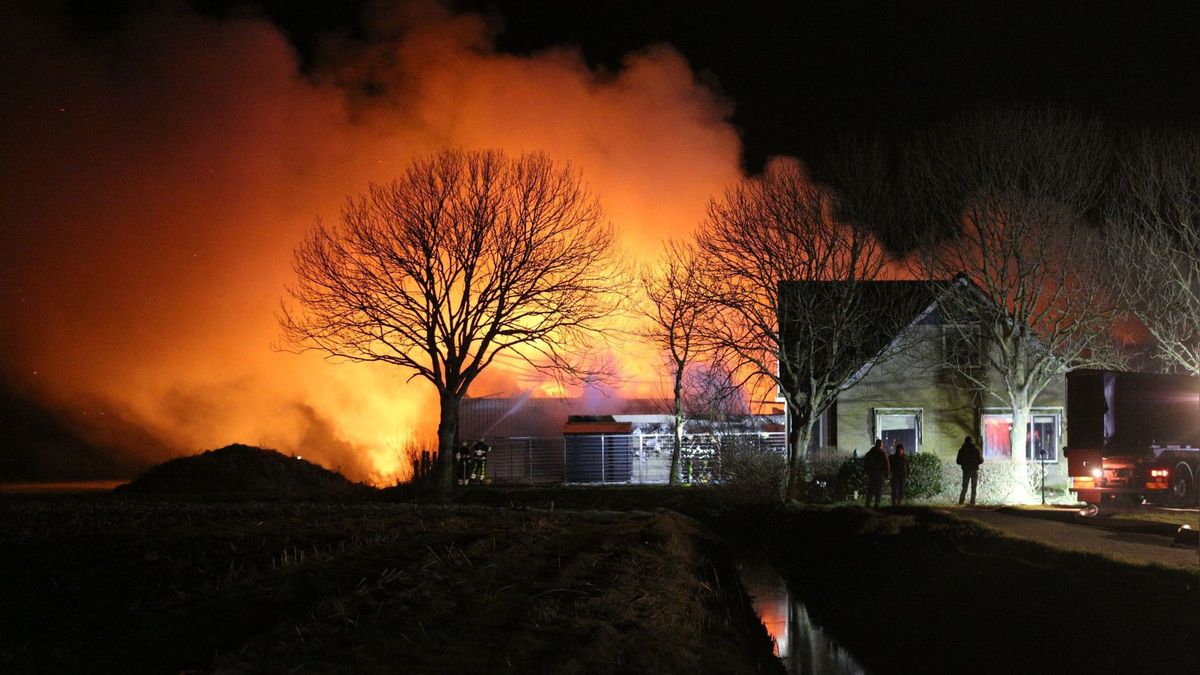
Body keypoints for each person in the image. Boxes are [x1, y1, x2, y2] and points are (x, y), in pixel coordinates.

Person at [956, 435, 984, 505]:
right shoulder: (975, 450)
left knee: (965, 486)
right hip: (974, 470)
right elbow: (980, 460)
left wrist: (964, 463)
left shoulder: (962, 450)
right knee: (974, 486)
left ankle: (961, 500)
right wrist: (975, 462)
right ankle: (972, 501)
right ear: (971, 442)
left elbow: (958, 461)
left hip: (966, 470)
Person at [863, 439, 890, 508]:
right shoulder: (882, 453)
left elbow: (866, 463)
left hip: (872, 474)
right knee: (878, 489)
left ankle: (868, 503)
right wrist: (887, 474)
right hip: (880, 474)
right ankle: (877, 503)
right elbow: (886, 464)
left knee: (871, 489)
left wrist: (868, 472)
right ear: (881, 444)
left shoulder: (870, 452)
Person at [889, 442, 910, 506]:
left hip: (902, 477)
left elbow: (908, 468)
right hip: (895, 476)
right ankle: (894, 503)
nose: (900, 451)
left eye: (901, 449)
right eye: (899, 449)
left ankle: (899, 503)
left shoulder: (905, 458)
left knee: (901, 491)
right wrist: (890, 473)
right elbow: (889, 466)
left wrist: (907, 475)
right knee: (895, 491)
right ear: (897, 450)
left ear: (903, 450)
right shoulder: (892, 458)